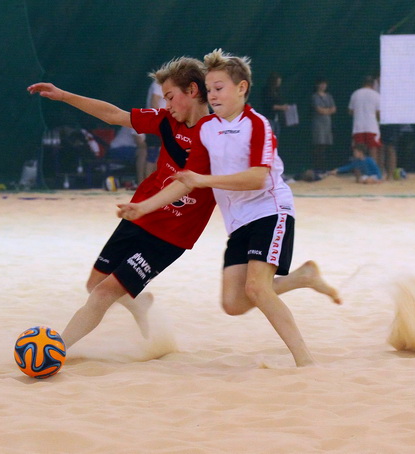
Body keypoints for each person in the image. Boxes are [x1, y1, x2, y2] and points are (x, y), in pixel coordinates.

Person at [119, 49, 341, 368]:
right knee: (234, 303)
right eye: (209, 89)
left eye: (219, 88)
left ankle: (306, 362)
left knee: (257, 288)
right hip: (238, 221)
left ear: (242, 88)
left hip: (270, 210)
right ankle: (302, 277)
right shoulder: (207, 128)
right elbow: (187, 180)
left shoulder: (257, 125)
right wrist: (144, 207)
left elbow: (257, 177)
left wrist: (203, 180)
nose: (212, 95)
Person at [27, 56, 216, 349]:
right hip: (139, 215)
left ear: (192, 90)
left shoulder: (219, 135)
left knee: (104, 293)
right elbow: (113, 115)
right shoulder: (166, 121)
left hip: (171, 235)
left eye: (169, 97)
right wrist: (63, 95)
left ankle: (55, 350)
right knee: (94, 284)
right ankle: (140, 305)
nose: (166, 104)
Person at [137, 80, 167, 183]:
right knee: (153, 155)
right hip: (156, 124)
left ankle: (153, 183)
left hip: (160, 123)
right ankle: (148, 185)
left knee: (158, 155)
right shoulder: (159, 83)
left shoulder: (168, 84)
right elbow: (154, 102)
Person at [349, 76, 381, 170]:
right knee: (373, 150)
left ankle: (358, 175)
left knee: (357, 151)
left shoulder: (355, 94)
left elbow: (350, 111)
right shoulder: (376, 95)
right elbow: (378, 112)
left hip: (358, 127)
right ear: (373, 84)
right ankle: (373, 172)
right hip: (371, 127)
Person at [311, 78, 336, 171]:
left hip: (327, 124)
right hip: (318, 124)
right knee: (319, 146)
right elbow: (319, 110)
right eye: (321, 84)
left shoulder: (329, 96)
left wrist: (326, 111)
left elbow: (334, 109)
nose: (323, 86)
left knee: (326, 145)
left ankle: (325, 167)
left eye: (324, 84)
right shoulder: (315, 97)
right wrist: (327, 110)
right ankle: (318, 168)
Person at [261, 72, 289, 138]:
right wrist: (281, 107)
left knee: (276, 138)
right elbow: (269, 105)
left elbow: (279, 102)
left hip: (277, 119)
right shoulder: (266, 91)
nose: (278, 84)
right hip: (269, 117)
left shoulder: (277, 91)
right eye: (277, 82)